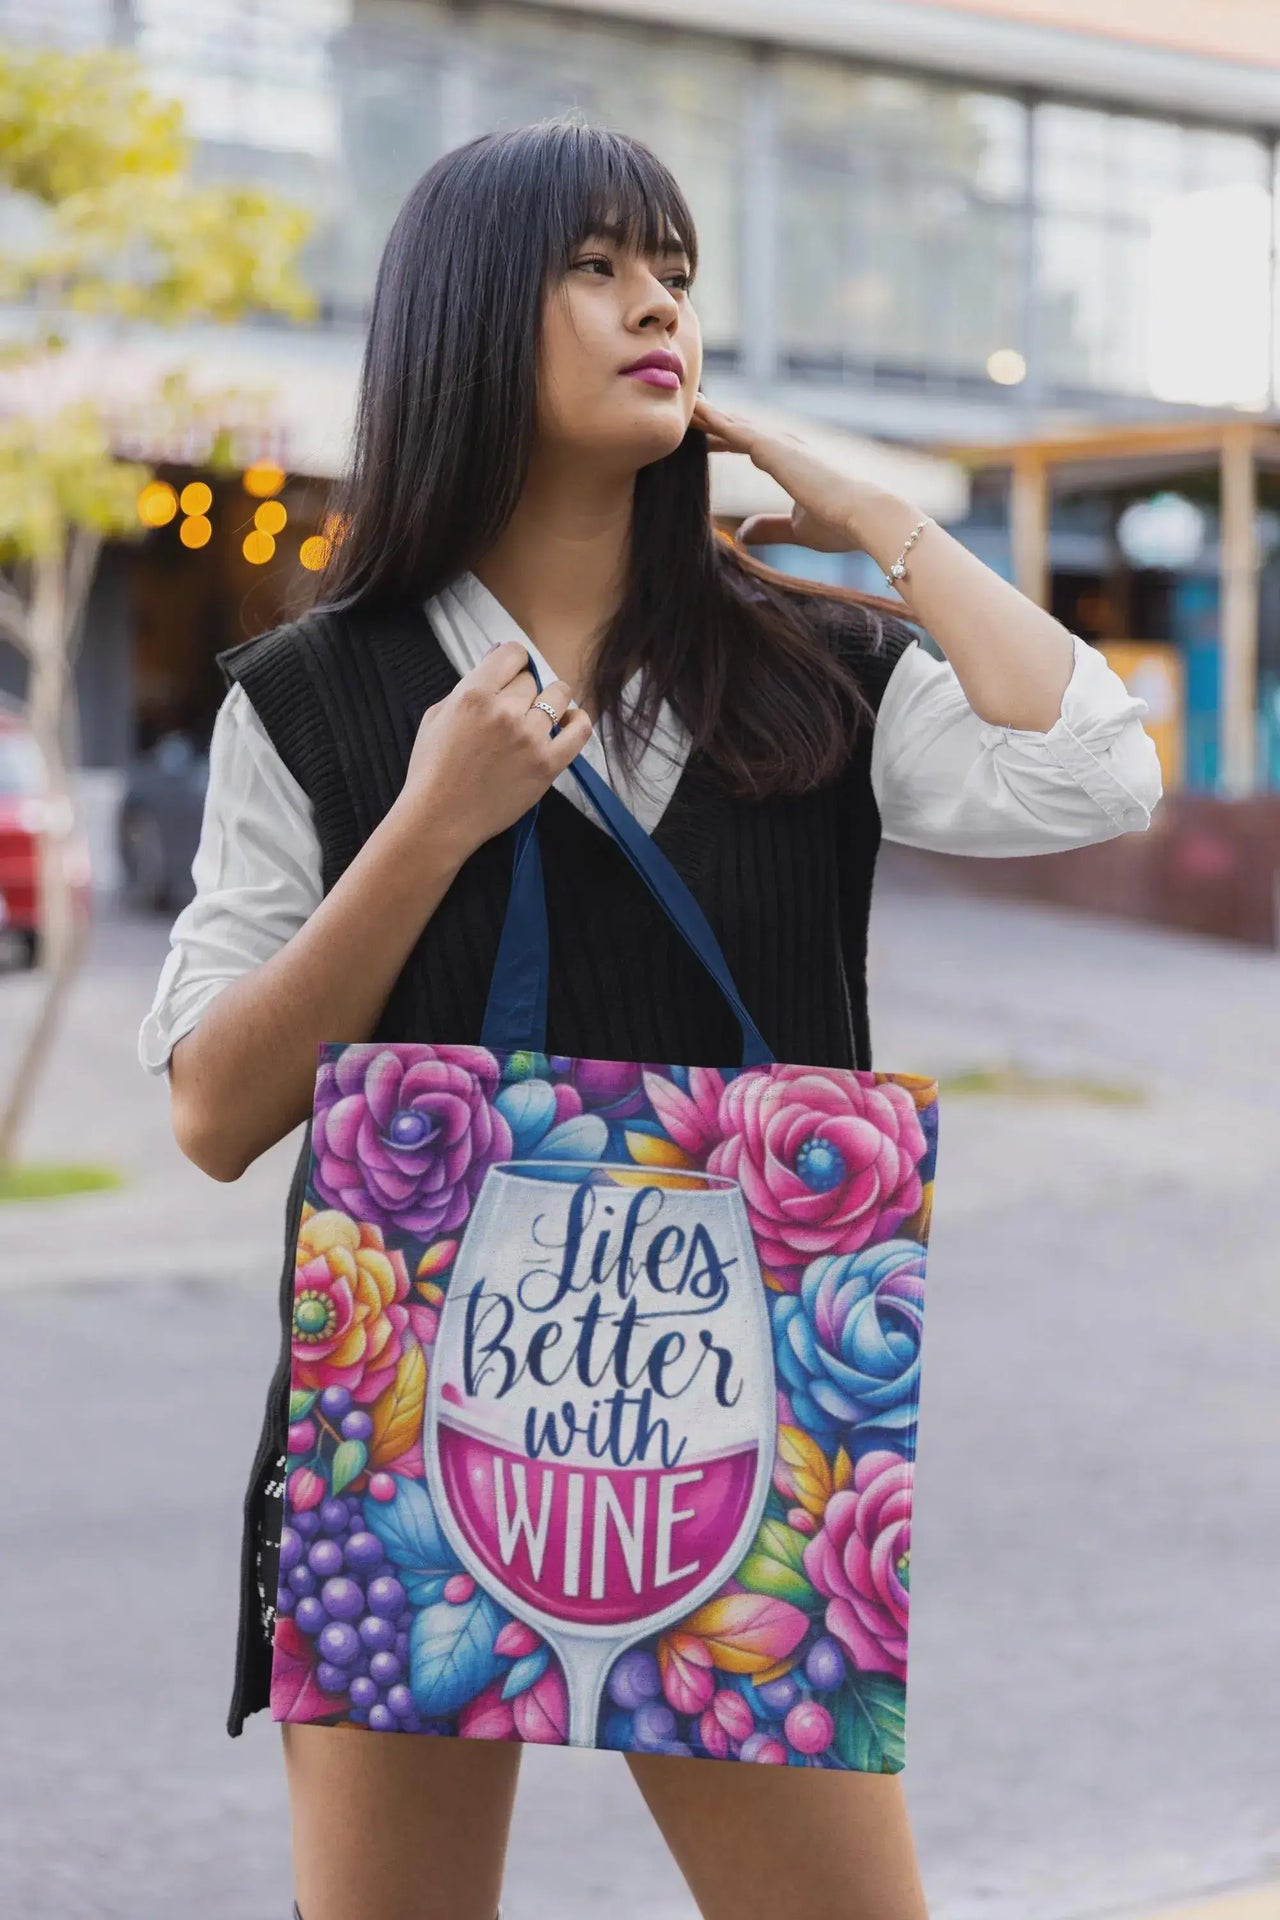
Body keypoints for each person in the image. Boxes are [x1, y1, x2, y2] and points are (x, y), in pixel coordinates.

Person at [138, 116, 1162, 1920]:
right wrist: (428, 824)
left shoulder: (809, 664)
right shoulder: (315, 697)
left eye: (674, 271)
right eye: (597, 268)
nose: (653, 305)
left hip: (742, 1434)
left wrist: (874, 520)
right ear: (468, 320)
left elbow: (1094, 773)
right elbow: (216, 1113)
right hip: (408, 1433)